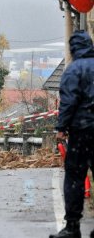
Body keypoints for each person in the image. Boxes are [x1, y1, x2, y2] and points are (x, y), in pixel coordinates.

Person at [50, 30, 94, 238]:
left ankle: (73, 227)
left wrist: (61, 128)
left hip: (82, 131)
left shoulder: (73, 70)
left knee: (75, 177)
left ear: (74, 48)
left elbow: (68, 102)